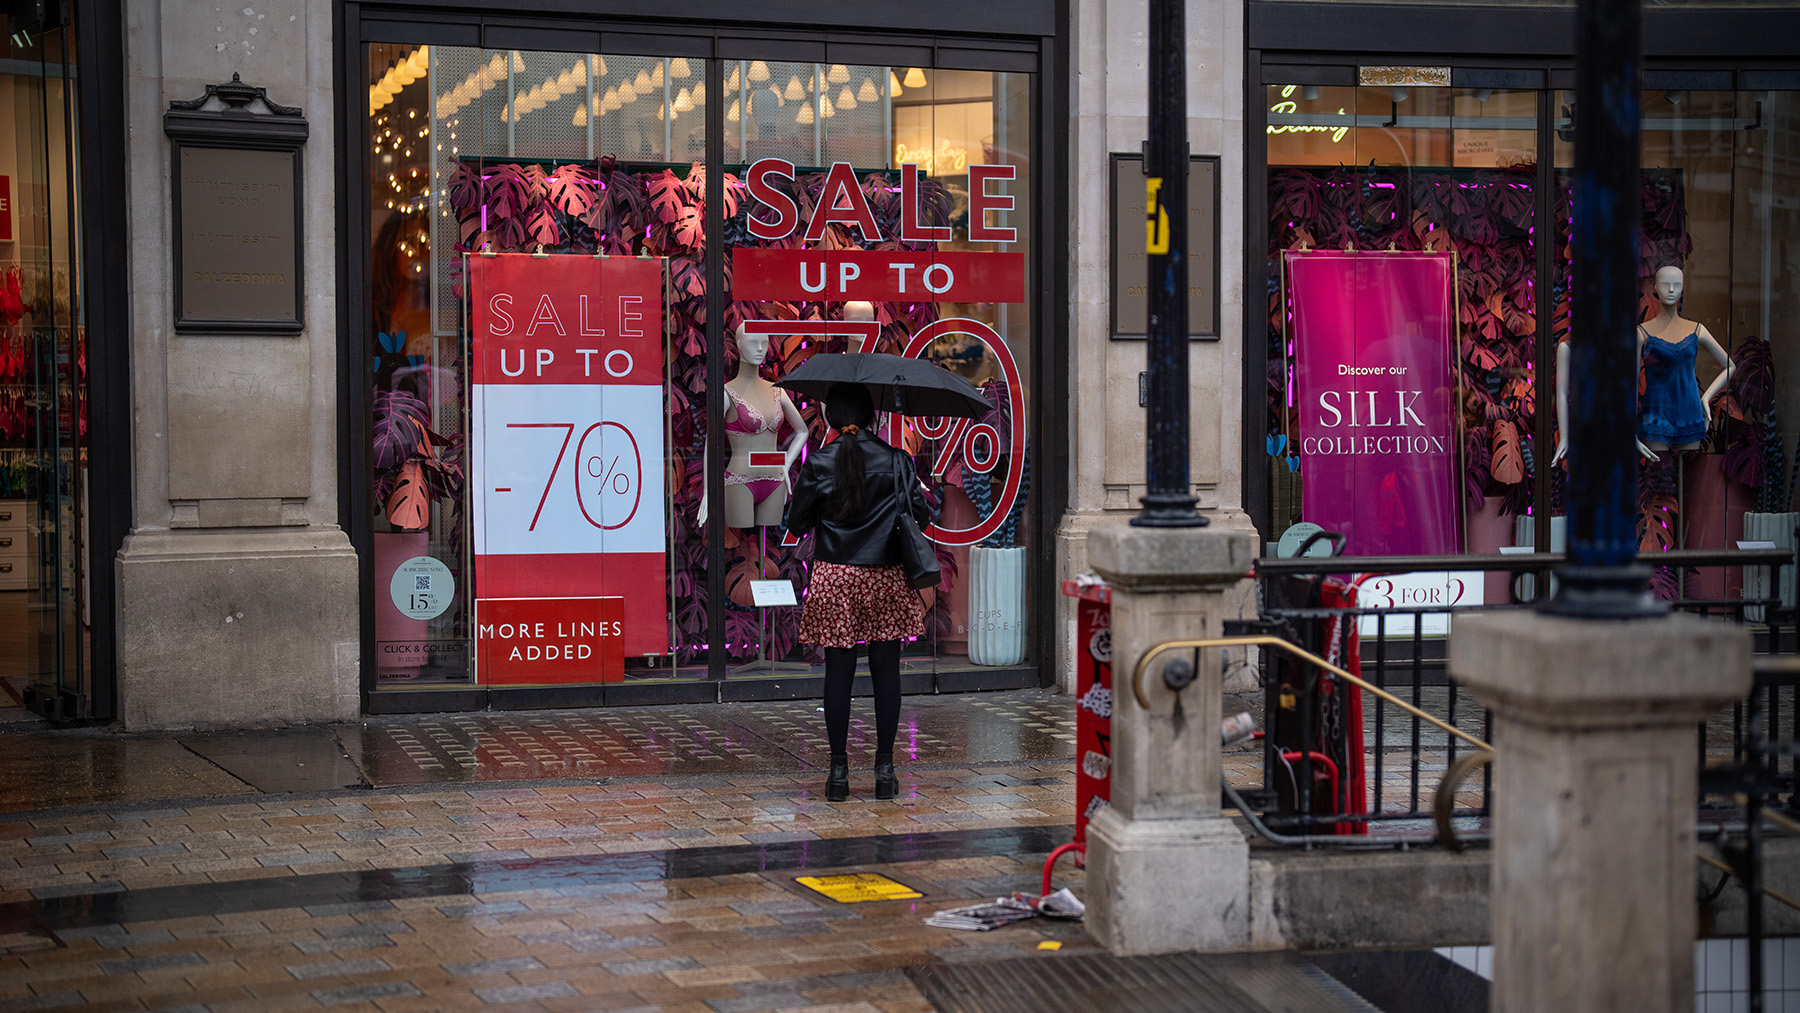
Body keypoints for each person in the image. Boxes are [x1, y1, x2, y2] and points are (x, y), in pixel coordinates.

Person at [784, 382, 931, 801]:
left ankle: (838, 775)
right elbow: (920, 515)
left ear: (831, 418)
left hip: (836, 577)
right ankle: (884, 771)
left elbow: (797, 523)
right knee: (886, 673)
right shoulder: (897, 461)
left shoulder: (820, 462)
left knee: (838, 674)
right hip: (884, 574)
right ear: (870, 416)